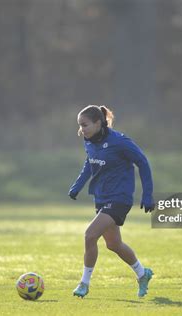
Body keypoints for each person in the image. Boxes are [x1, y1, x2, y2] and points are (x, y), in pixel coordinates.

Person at [68, 105, 155, 299]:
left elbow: (142, 161)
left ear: (99, 123)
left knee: (90, 235)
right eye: (80, 125)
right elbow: (89, 164)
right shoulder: (89, 141)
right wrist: (77, 186)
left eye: (85, 125)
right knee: (114, 244)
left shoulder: (119, 141)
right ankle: (143, 274)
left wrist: (148, 194)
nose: (81, 129)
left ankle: (84, 283)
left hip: (120, 198)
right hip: (102, 197)